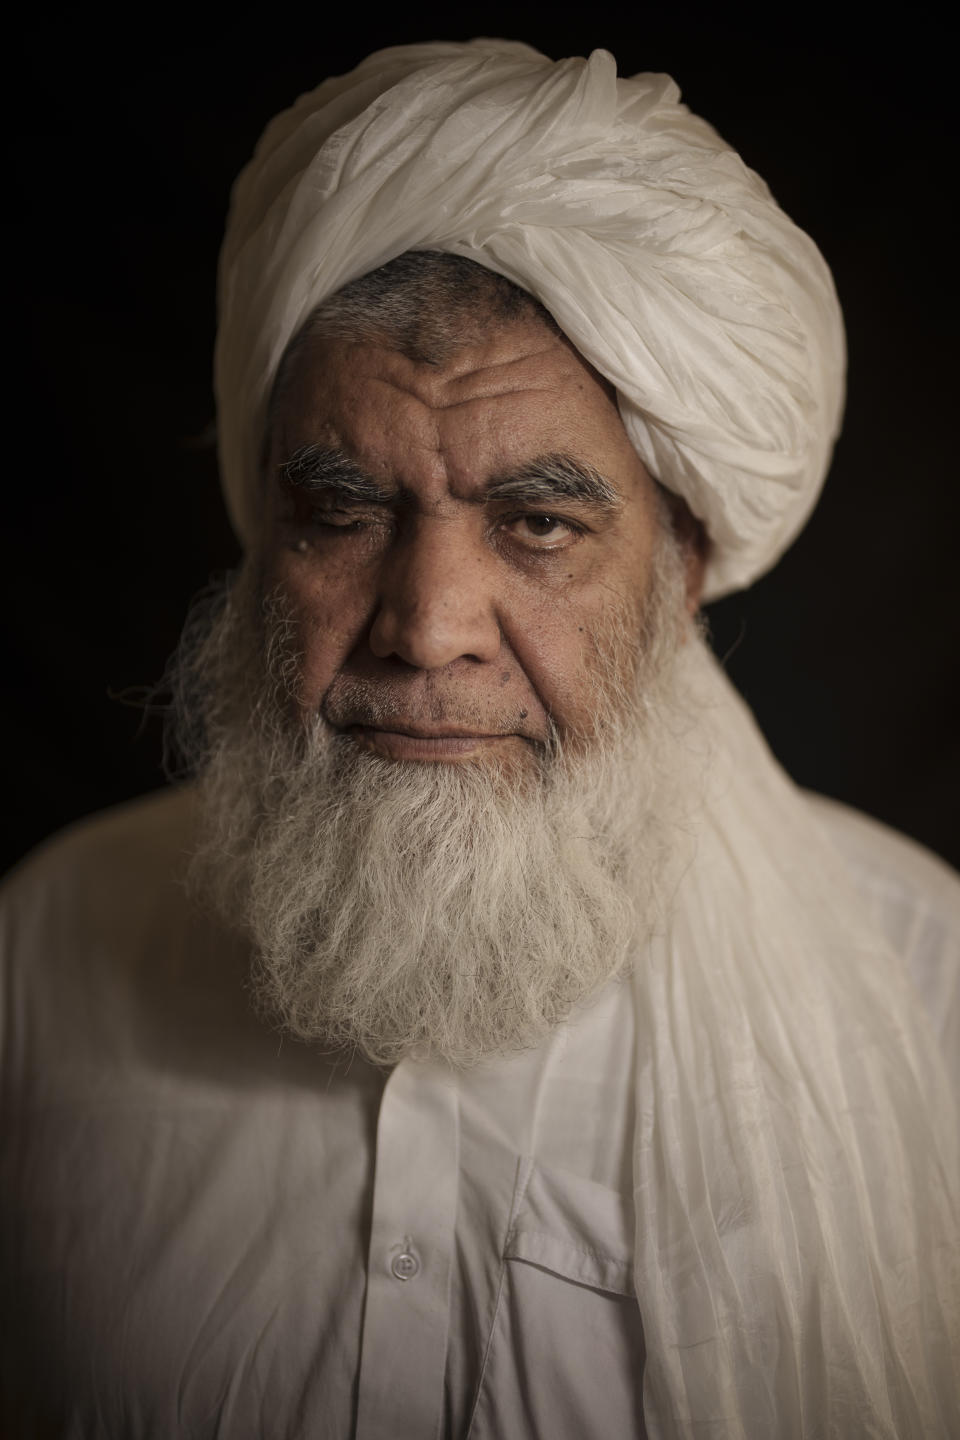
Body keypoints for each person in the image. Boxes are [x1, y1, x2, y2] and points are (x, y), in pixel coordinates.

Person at [1, 39, 957, 1440]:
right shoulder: (38, 961)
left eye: (541, 522)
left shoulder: (931, 994)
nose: (428, 624)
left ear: (681, 569)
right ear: (265, 538)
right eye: (344, 512)